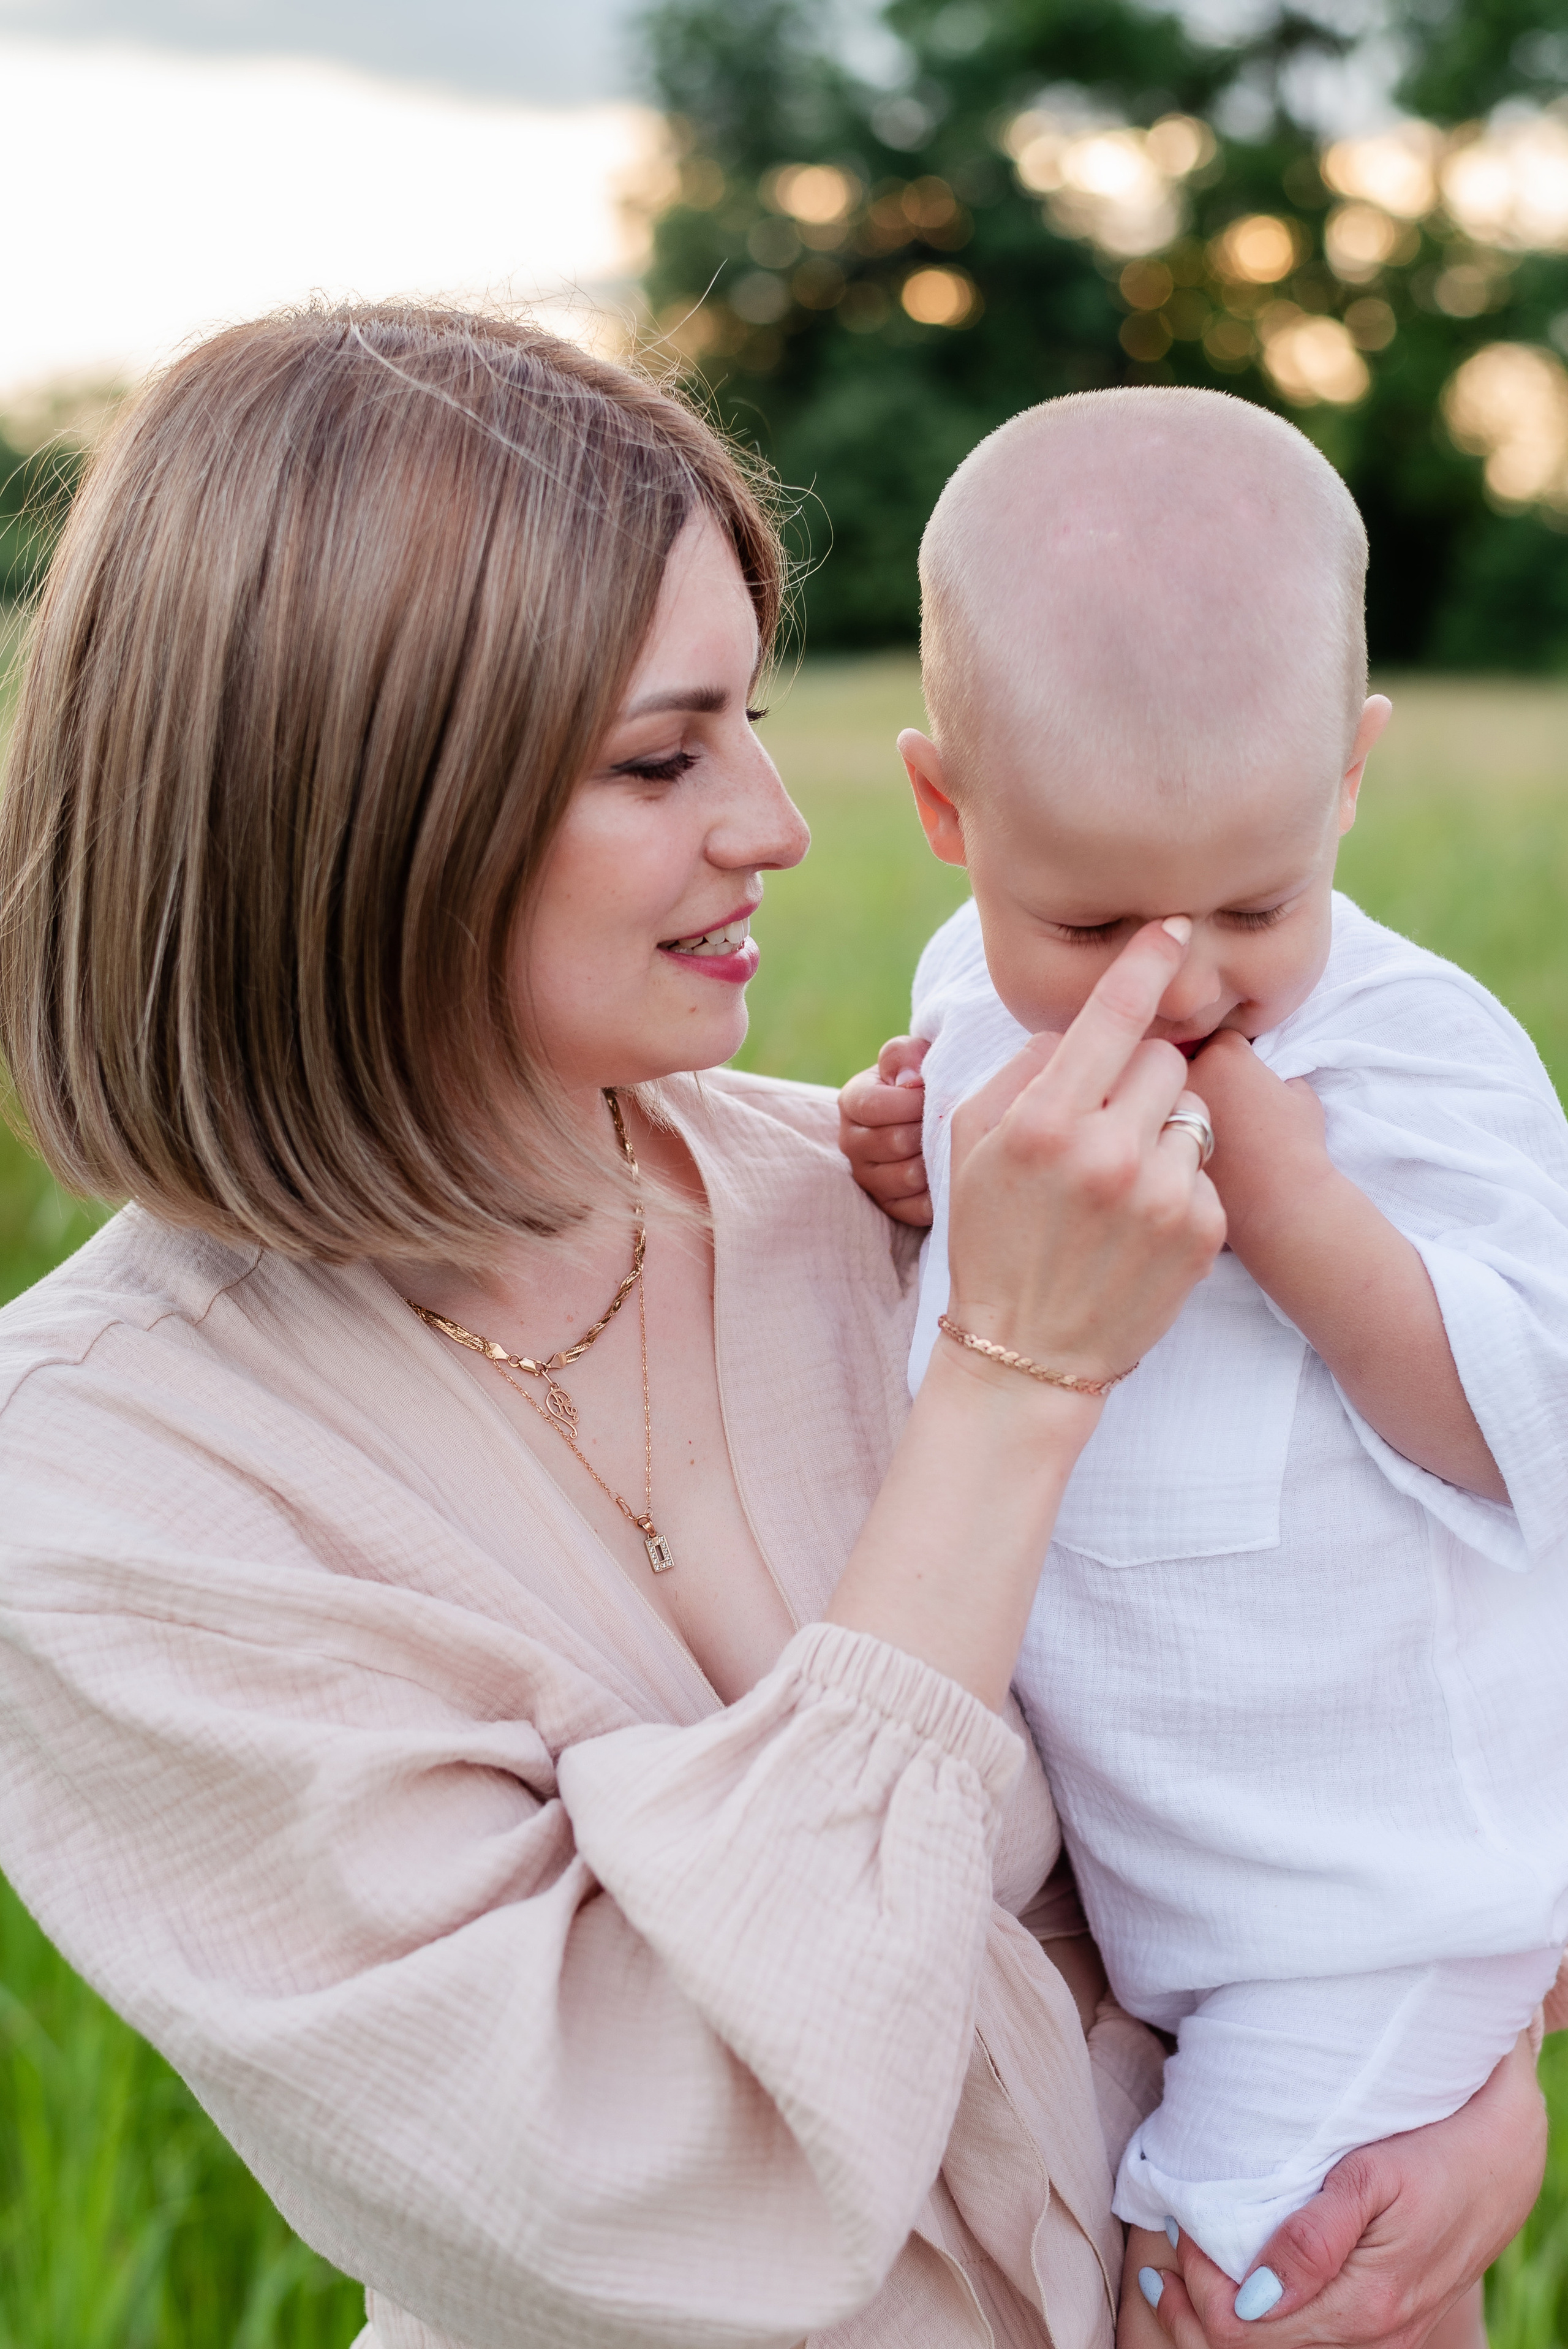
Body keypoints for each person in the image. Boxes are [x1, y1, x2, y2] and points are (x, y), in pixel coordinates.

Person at [0, 308, 1548, 2349]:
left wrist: (1476, 2081)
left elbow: (1350, 1663)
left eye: (749, 718)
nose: (780, 821)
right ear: (365, 809)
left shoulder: (895, 1185)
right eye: (664, 754)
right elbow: (662, 2183)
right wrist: (1010, 1385)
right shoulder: (103, 1489)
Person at [837, 388, 1568, 2345]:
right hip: (1186, 1882)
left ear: (1347, 777)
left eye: (1256, 907)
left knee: (1245, 2274)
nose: (1185, 979)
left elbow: (1526, 1427)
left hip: (1386, 1883)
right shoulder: (965, 990)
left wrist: (1302, 1211)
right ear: (946, 812)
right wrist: (909, 1156)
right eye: (1087, 922)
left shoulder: (1416, 1055)